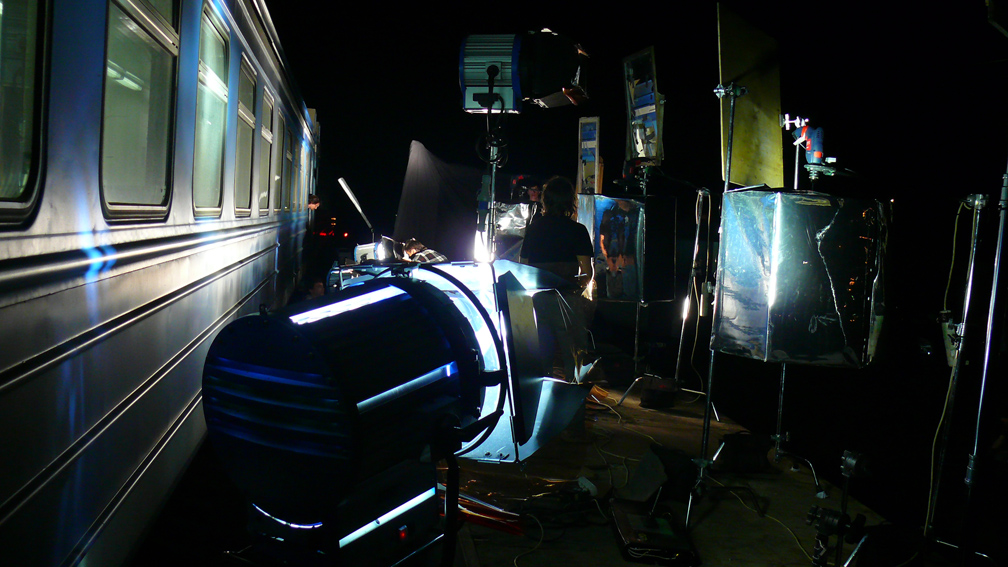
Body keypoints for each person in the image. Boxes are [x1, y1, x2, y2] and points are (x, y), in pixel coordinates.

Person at [519, 176, 596, 383]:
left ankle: (539, 395)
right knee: (574, 357)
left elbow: (523, 266)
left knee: (540, 354)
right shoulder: (578, 230)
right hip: (567, 299)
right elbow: (587, 273)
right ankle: (572, 395)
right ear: (570, 201)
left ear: (545, 200)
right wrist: (576, 289)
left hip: (538, 298)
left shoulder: (534, 229)